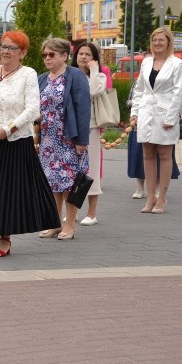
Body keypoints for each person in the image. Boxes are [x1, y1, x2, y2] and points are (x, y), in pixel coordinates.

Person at [0, 30, 60, 257]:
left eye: (11, 48)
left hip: (14, 141)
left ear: (23, 53)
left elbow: (33, 110)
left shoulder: (27, 74)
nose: (5, 51)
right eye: (3, 47)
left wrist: (8, 129)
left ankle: (4, 238)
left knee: (6, 191)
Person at [38, 37, 92, 241]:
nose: (47, 58)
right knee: (52, 183)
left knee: (70, 183)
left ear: (64, 56)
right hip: (48, 140)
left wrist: (81, 140)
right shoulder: (42, 78)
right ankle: (54, 223)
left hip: (69, 138)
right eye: (44, 55)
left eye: (51, 54)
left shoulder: (75, 76)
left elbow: (83, 109)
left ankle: (69, 224)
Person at [130, 26, 182, 214]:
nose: (157, 43)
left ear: (168, 42)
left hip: (165, 114)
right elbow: (139, 89)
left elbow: (178, 93)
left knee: (164, 154)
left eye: (161, 40)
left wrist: (171, 117)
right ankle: (150, 197)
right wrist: (135, 113)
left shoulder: (177, 64)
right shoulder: (146, 62)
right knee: (147, 154)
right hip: (146, 113)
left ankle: (162, 197)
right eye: (154, 40)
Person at [72, 42, 109, 226]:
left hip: (91, 128)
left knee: (91, 169)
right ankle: (73, 212)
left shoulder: (99, 76)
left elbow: (94, 91)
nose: (83, 57)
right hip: (71, 129)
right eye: (80, 53)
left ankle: (92, 213)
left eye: (88, 54)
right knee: (72, 171)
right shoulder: (69, 74)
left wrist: (94, 70)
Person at [126, 84, 180, 198]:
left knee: (162, 157)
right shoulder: (140, 81)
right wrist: (134, 108)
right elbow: (132, 99)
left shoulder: (169, 77)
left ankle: (158, 190)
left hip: (162, 122)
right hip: (141, 124)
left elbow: (178, 96)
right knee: (139, 157)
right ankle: (140, 188)